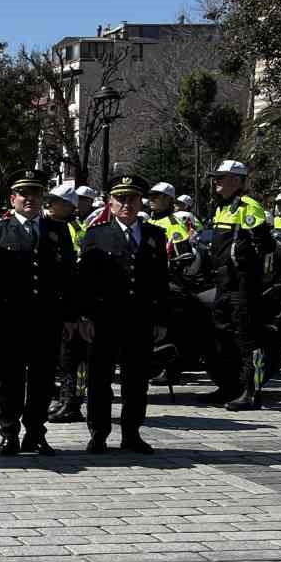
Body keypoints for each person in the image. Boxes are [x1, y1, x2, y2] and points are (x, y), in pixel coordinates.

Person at [0, 169, 78, 456]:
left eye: (34, 193)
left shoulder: (57, 231)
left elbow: (68, 275)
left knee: (43, 380)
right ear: (13, 199)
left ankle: (36, 431)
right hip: (10, 319)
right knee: (8, 379)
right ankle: (9, 432)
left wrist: (70, 315)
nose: (29, 198)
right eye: (23, 194)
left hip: (46, 318)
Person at [78, 174, 167, 454]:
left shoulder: (154, 235)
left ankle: (131, 433)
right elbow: (86, 280)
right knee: (100, 379)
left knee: (136, 380)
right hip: (105, 319)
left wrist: (161, 318)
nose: (126, 204)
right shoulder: (96, 234)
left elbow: (160, 281)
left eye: (132, 198)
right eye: (120, 198)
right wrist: (85, 316)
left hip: (139, 319)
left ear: (141, 202)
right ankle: (99, 433)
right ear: (110, 202)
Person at [207, 159, 274, 410]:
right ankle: (228, 387)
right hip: (223, 282)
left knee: (247, 340)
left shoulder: (248, 207)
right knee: (222, 338)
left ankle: (251, 391)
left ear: (236, 181)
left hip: (243, 284)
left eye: (221, 178)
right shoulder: (221, 208)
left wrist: (250, 271)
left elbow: (264, 245)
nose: (216, 181)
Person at [45, 182, 89, 424]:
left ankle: (72, 402)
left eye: (56, 202)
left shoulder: (72, 228)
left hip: (72, 299)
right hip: (57, 299)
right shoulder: (54, 225)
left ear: (69, 206)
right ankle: (64, 399)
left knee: (73, 355)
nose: (49, 204)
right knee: (62, 355)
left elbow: (75, 266)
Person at [146, 182, 191, 247]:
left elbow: (183, 255)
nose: (151, 199)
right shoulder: (149, 221)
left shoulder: (173, 224)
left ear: (168, 199)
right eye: (150, 196)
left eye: (155, 196)